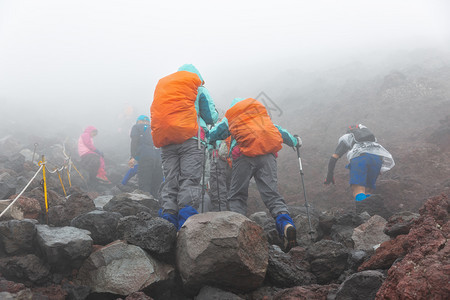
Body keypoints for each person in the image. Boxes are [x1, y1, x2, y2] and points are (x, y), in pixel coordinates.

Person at [208, 97, 300, 252]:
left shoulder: (232, 115)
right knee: (272, 195)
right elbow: (279, 131)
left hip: (243, 155)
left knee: (237, 196)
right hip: (268, 154)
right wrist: (295, 141)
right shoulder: (259, 115)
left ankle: (237, 234)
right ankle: (285, 224)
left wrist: (208, 138)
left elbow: (217, 133)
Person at [151, 64, 218, 230]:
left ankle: (167, 222)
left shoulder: (166, 89)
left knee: (170, 180)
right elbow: (211, 116)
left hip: (167, 141)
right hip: (192, 140)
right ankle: (186, 226)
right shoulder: (198, 88)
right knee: (190, 180)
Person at [324, 124, 395, 205]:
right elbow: (377, 152)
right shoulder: (372, 139)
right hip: (377, 160)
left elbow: (334, 157)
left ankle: (363, 213)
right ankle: (371, 213)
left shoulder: (347, 137)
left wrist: (330, 174)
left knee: (358, 189)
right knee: (367, 190)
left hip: (360, 159)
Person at [128, 115, 163, 197]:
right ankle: (157, 205)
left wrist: (132, 157)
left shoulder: (137, 127)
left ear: (138, 121)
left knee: (145, 183)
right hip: (159, 158)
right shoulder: (154, 128)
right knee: (157, 185)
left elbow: (134, 141)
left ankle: (146, 204)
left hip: (145, 157)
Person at [208, 139, 231, 211]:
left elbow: (212, 136)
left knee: (218, 191)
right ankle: (235, 215)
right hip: (236, 157)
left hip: (219, 156)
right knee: (233, 190)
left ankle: (220, 214)